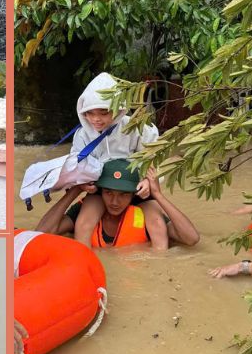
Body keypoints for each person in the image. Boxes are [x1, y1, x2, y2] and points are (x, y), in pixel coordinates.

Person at [66, 73, 162, 246]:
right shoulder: (82, 135)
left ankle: (162, 268)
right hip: (103, 190)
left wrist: (148, 181)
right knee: (83, 224)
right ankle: (85, 264)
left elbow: (154, 160)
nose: (96, 119)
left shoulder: (140, 128)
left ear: (119, 108)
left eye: (104, 113)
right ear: (82, 112)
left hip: (136, 188)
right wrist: (84, 182)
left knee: (157, 225)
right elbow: (77, 166)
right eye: (90, 113)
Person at [36, 159, 200, 250]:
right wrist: (75, 191)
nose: (115, 202)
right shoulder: (85, 211)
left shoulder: (147, 218)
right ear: (100, 192)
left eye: (123, 195)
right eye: (108, 193)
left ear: (133, 195)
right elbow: (40, 234)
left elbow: (191, 239)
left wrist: (157, 195)